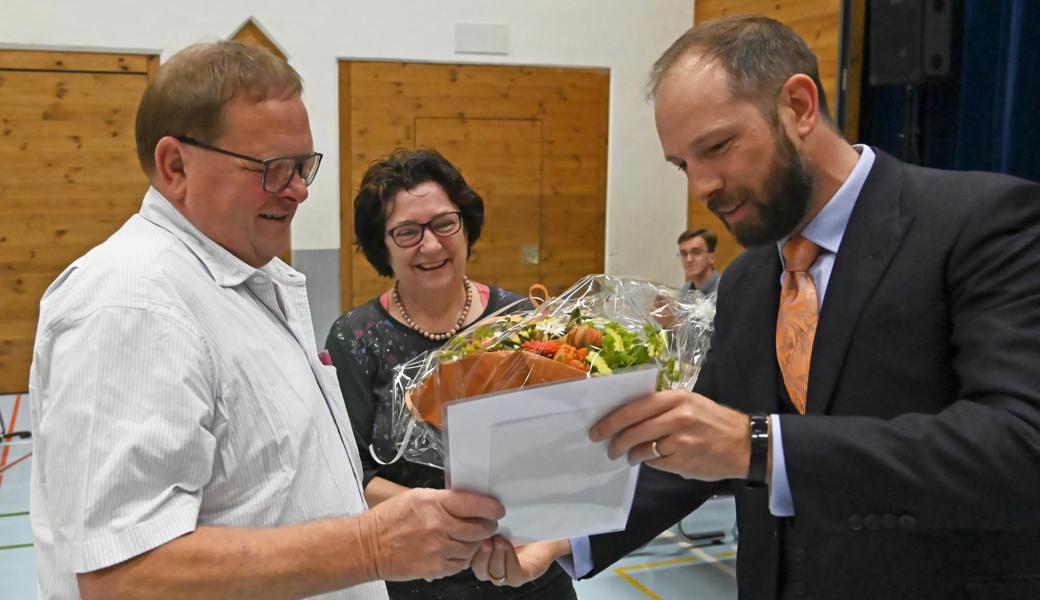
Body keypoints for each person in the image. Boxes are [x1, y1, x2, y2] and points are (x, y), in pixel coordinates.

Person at [470, 15, 1040, 599]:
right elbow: (693, 447)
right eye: (683, 165)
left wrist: (762, 447)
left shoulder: (980, 223)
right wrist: (562, 534)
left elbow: (1020, 443)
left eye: (717, 147)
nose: (701, 187)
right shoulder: (748, 281)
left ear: (798, 105)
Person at [28, 42, 505, 600]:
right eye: (272, 169)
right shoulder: (133, 304)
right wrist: (371, 547)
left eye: (303, 166)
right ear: (175, 165)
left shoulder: (239, 282)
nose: (299, 189)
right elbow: (123, 578)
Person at [325, 148, 577, 600]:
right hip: (418, 581)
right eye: (406, 232)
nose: (431, 244)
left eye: (444, 223)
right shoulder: (355, 338)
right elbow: (348, 473)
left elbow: (563, 446)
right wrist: (443, 511)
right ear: (381, 244)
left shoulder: (519, 320)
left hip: (528, 569)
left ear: (466, 225)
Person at [676, 228, 719, 295]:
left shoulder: (724, 288)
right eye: (684, 254)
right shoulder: (685, 291)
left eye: (696, 252)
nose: (688, 259)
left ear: (712, 258)